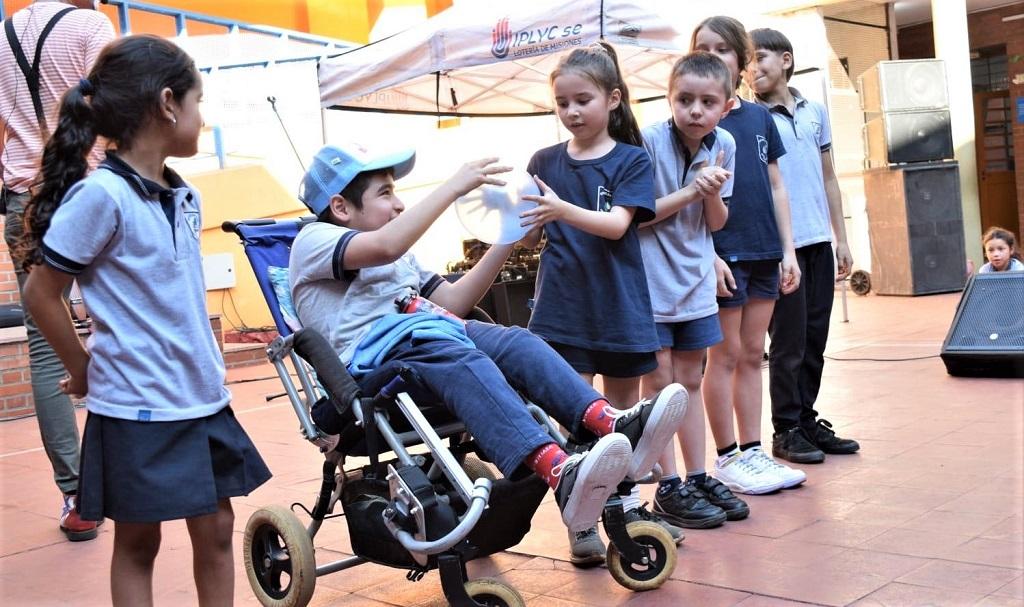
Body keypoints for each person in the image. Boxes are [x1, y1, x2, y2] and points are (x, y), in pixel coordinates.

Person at [288, 142, 688, 553]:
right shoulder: (315, 239)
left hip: (434, 338)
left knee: (515, 341)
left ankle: (612, 424)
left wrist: (508, 235)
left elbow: (453, 302)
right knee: (460, 356)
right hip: (378, 367)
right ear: (340, 206)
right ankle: (559, 471)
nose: (399, 204)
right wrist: (452, 188)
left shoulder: (400, 258)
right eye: (386, 193)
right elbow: (387, 246)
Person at [17, 35, 272, 606]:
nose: (202, 120)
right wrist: (82, 370)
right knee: (138, 544)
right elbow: (41, 293)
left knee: (217, 532)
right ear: (166, 103)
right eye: (197, 102)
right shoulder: (100, 197)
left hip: (200, 397)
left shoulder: (185, 197)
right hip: (136, 406)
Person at [517, 42, 683, 563]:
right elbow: (526, 238)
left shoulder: (633, 160)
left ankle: (628, 511)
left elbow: (616, 226)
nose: (571, 112)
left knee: (624, 420)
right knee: (575, 422)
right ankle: (582, 526)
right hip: (561, 312)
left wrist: (561, 209)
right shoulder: (542, 161)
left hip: (619, 310)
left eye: (582, 100)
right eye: (562, 102)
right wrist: (521, 222)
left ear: (612, 99)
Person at [0, 0, 114, 542]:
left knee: (45, 346)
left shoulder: (2, 34)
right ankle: (133, 475)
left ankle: (77, 496)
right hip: (93, 191)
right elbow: (114, 107)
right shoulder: (91, 26)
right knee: (124, 324)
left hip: (27, 198)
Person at [690, 16, 806, 501]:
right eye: (703, 48)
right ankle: (727, 455)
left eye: (723, 49)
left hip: (764, 250)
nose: (714, 55)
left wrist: (788, 251)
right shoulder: (697, 119)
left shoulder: (760, 119)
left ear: (741, 59)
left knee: (753, 354)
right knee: (726, 354)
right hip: (724, 253)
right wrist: (708, 255)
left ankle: (754, 449)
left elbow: (776, 185)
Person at [636, 51, 746, 530]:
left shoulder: (726, 145)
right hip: (652, 279)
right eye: (685, 100)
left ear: (726, 105)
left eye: (707, 102)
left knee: (690, 380)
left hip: (696, 279)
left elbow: (717, 222)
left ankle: (698, 476)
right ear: (669, 98)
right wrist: (691, 190)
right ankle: (666, 482)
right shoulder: (648, 141)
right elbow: (638, 215)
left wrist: (712, 192)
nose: (696, 111)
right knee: (658, 382)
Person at [748, 28, 860, 464]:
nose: (753, 69)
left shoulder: (814, 112)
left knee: (815, 340)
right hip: (782, 249)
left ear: (786, 60)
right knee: (788, 344)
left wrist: (842, 238)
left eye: (760, 58)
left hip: (819, 242)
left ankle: (808, 420)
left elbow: (828, 177)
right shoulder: (751, 119)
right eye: (748, 63)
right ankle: (786, 428)